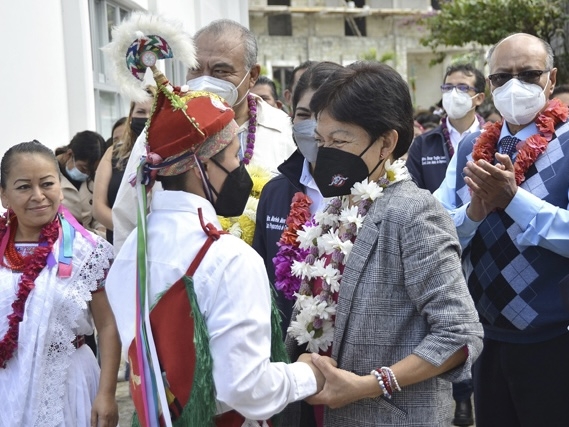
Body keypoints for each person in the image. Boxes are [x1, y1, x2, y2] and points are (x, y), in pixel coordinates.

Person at [105, 48, 325, 424]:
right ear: (202, 165)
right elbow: (246, 388)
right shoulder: (228, 259)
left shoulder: (132, 253)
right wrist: (311, 374)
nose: (242, 167)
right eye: (235, 155)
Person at [277, 61, 483, 426]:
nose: (326, 154)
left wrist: (368, 385)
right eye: (321, 142)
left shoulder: (415, 213)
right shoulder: (342, 203)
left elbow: (458, 335)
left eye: (339, 141)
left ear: (386, 142)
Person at [434, 33, 569, 426]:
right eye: (501, 78)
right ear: (489, 86)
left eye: (529, 74)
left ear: (551, 78)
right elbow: (439, 230)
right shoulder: (471, 147)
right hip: (485, 336)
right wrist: (473, 213)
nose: (515, 87)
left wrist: (513, 200)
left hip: (554, 339)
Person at [111, 19, 297, 253]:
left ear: (252, 76)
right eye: (196, 68)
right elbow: (129, 216)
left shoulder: (285, 131)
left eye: (221, 70)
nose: (206, 80)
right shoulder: (159, 132)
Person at [0, 140, 120, 426]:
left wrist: (107, 393)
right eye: (23, 186)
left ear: (60, 187)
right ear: (4, 196)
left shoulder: (86, 250)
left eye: (47, 183)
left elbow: (107, 325)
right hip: (8, 384)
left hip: (69, 384)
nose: (38, 195)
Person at [253, 61, 342, 339]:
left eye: (325, 115)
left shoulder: (370, 192)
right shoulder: (276, 191)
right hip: (283, 347)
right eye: (304, 114)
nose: (314, 127)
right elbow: (262, 279)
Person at [406, 63, 486, 193]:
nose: (454, 93)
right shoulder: (424, 144)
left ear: (479, 98)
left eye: (462, 87)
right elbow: (412, 192)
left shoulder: (493, 138)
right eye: (448, 88)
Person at [93, 93, 153, 244]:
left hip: (158, 243)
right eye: (140, 112)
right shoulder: (113, 153)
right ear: (131, 116)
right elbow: (99, 207)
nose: (146, 118)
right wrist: (133, 234)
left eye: (152, 112)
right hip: (120, 244)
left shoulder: (174, 155)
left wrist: (150, 235)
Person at [56, 130, 106, 238]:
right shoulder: (49, 174)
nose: (87, 174)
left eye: (92, 171)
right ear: (69, 154)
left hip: (89, 241)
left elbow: (98, 213)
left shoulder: (93, 179)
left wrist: (100, 227)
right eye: (83, 168)